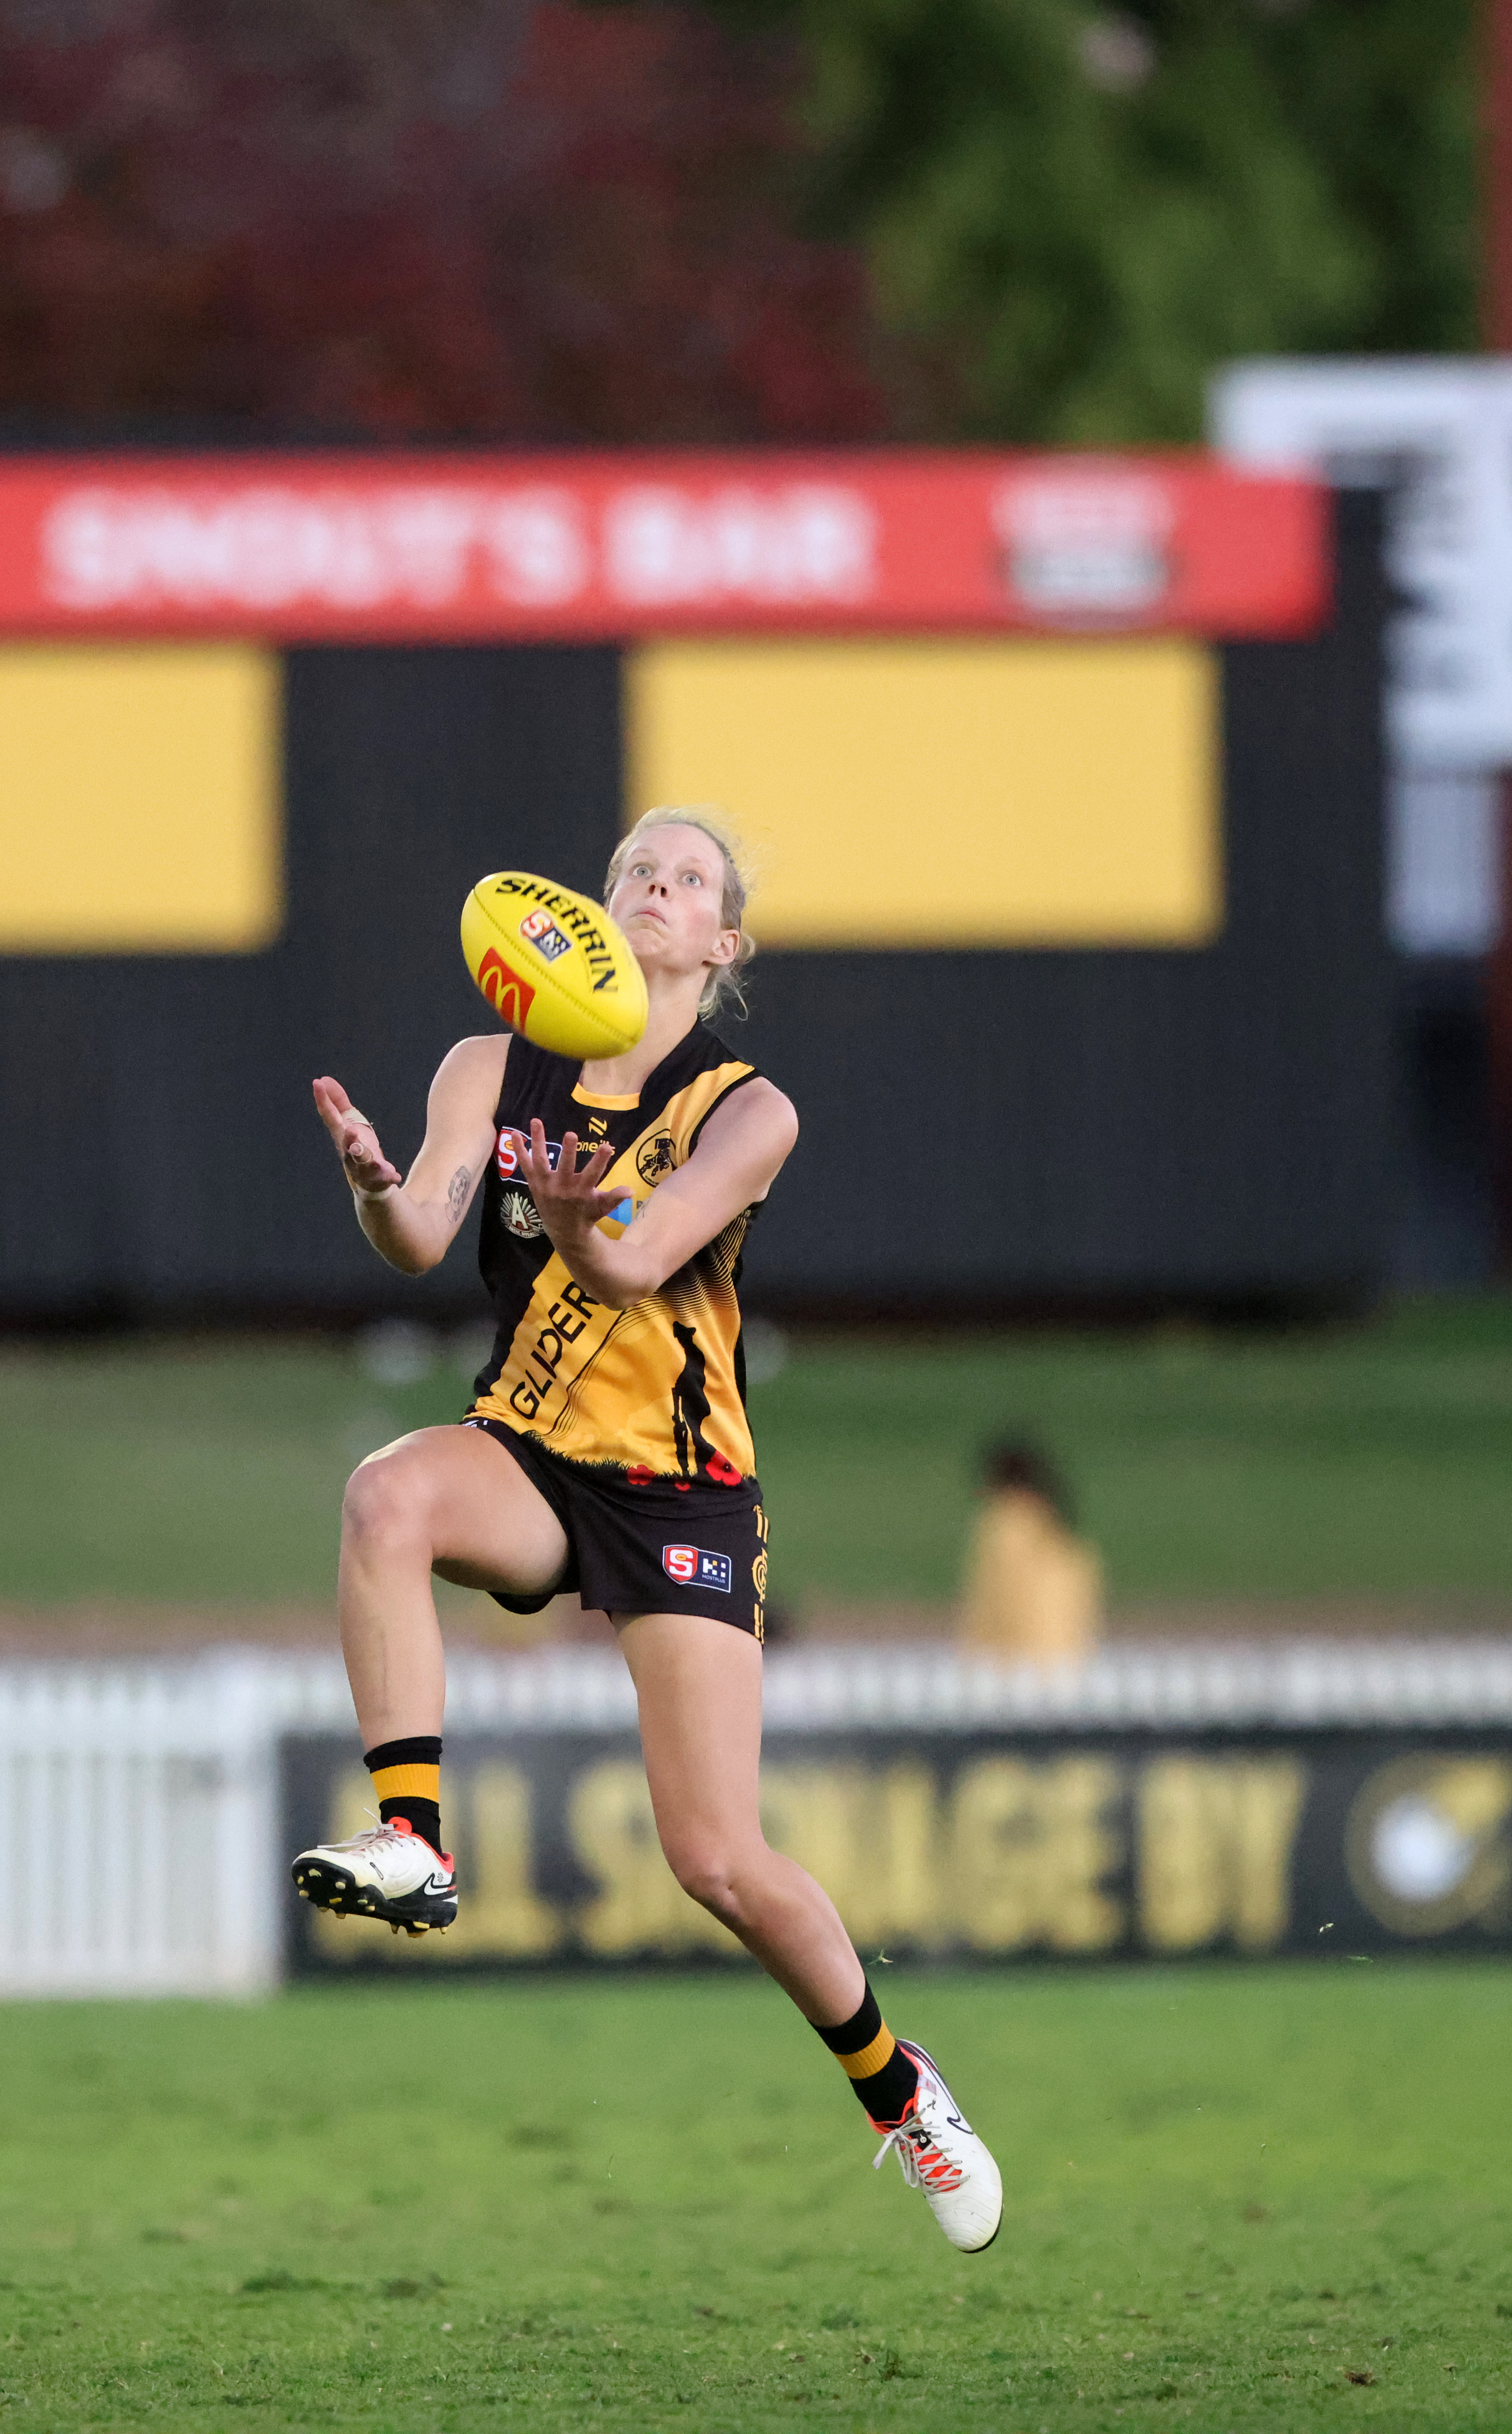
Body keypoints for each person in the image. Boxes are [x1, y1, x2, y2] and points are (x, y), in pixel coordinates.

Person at [288, 808, 1003, 2256]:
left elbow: (630, 1262)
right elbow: (424, 1239)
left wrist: (569, 1214)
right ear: (597, 910)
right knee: (386, 1493)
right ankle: (414, 1840)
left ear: (723, 941)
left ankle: (897, 2090)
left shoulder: (748, 1109)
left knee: (718, 1861)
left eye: (688, 881)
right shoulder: (488, 1064)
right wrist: (374, 1187)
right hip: (532, 1455)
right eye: (636, 871)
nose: (656, 890)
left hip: (682, 1491)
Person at [957, 1436, 1101, 1665]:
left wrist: (977, 1658)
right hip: (1069, 1660)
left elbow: (1002, 1601)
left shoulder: (1005, 1523)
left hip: (1015, 1664)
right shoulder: (1065, 1536)